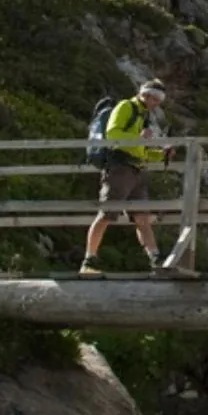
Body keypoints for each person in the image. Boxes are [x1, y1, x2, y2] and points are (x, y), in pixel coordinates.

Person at [80, 79, 170, 276]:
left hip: (137, 169)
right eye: (156, 99)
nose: (157, 103)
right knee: (106, 214)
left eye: (159, 100)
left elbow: (140, 149)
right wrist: (139, 139)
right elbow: (113, 134)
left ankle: (156, 260)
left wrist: (160, 155)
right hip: (119, 168)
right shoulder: (126, 107)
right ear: (146, 94)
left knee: (142, 217)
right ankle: (88, 260)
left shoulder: (143, 115)